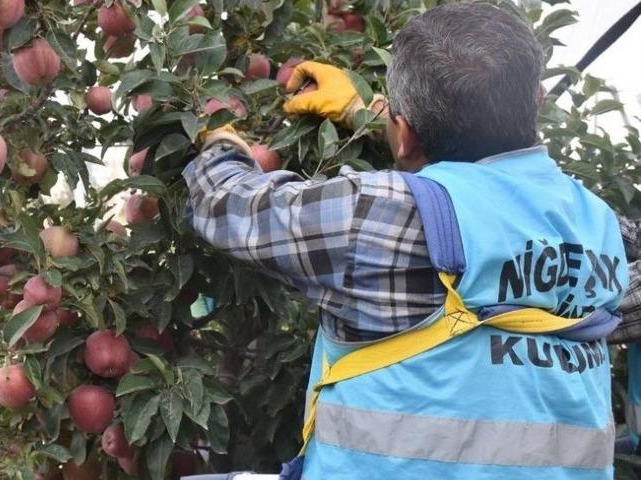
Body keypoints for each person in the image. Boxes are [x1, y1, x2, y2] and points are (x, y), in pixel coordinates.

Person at [182, 4, 637, 480]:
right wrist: (369, 114)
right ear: (538, 100)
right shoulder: (596, 222)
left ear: (403, 135)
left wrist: (219, 139)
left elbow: (226, 205)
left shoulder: (376, 215)